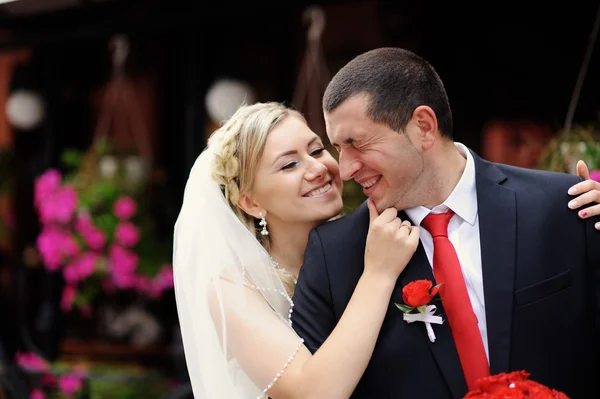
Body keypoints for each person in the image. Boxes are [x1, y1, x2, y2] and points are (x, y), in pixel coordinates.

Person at [173, 100, 600, 399]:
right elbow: (312, 393)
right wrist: (377, 274)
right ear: (249, 201)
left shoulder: (380, 232)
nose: (322, 168)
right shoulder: (232, 288)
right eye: (289, 164)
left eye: (318, 149)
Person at [290, 47, 600, 399]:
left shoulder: (565, 206)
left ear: (423, 126)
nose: (344, 170)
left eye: (356, 143)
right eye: (338, 148)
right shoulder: (333, 255)